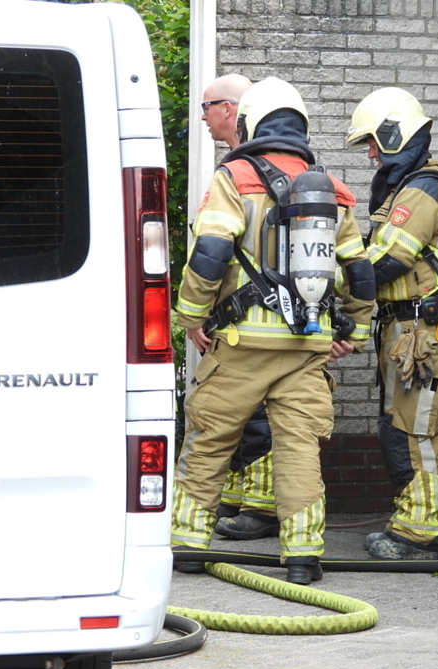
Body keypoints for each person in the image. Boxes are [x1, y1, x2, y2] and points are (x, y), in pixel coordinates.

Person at [173, 77, 376, 585]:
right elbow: (359, 268)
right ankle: (304, 557)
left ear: (251, 122)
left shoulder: (234, 176)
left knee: (210, 441)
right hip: (308, 345)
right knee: (300, 450)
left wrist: (190, 316)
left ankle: (188, 547)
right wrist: (360, 327)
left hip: (241, 344)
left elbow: (211, 252)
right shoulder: (332, 188)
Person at [346, 87, 438, 561]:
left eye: (374, 142)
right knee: (399, 428)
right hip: (405, 331)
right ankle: (409, 522)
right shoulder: (407, 187)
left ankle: (421, 535)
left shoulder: (422, 189)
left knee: (416, 431)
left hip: (423, 331)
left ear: (397, 134)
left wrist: (328, 278)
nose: (371, 154)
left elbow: (385, 262)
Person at [195, 74, 281, 539]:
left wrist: (190, 313)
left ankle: (263, 507)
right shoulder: (238, 166)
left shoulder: (248, 171)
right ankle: (242, 494)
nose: (204, 117)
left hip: (260, 318)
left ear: (232, 109)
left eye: (207, 107)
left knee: (261, 414)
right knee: (241, 414)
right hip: (235, 316)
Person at [201, 73, 252, 149]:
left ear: (227, 109)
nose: (203, 117)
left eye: (206, 109)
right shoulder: (266, 153)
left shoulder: (246, 159)